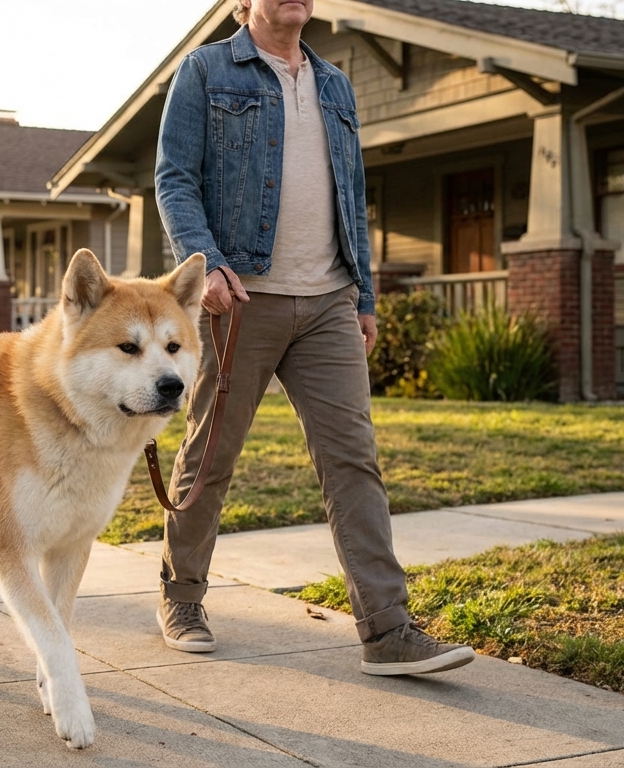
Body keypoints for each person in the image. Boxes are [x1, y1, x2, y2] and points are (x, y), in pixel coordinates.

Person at [152, 0, 475, 675]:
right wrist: (206, 260)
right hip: (243, 298)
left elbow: (351, 194)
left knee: (354, 461)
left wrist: (363, 294)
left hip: (329, 298)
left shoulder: (334, 83)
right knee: (210, 457)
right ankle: (181, 596)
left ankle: (387, 630)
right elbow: (174, 177)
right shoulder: (206, 69)